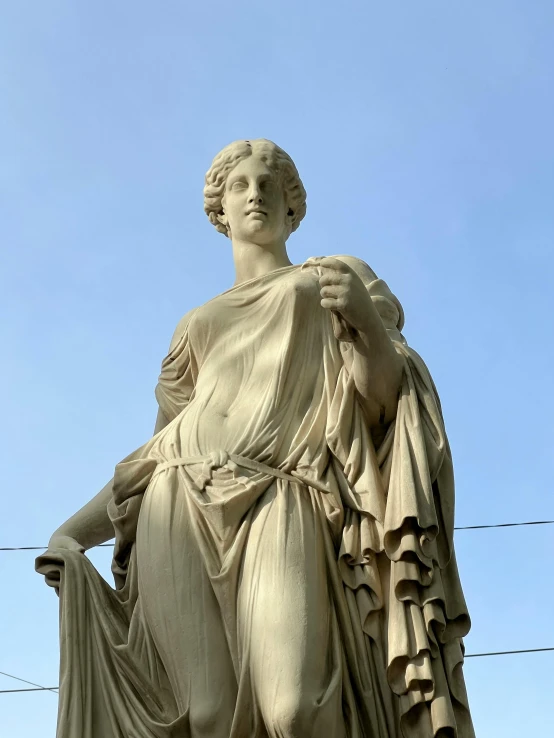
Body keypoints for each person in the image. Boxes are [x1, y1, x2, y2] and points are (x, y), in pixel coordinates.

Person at [37, 139, 475, 738]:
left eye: (269, 184)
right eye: (240, 185)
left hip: (281, 492)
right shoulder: (196, 325)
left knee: (294, 708)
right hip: (175, 501)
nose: (255, 195)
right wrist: (73, 532)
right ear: (219, 209)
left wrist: (368, 326)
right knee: (205, 715)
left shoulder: (328, 278)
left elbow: (386, 399)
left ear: (293, 206)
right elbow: (153, 455)